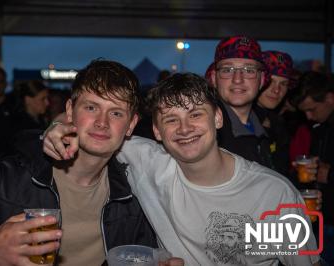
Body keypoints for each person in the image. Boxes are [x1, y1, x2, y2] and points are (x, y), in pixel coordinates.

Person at [44, 73, 320, 265]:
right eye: (171, 120)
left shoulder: (274, 195)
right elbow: (90, 125)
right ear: (156, 131)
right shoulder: (147, 160)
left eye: (196, 114)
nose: (185, 129)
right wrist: (56, 128)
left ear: (218, 118)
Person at [0, 60, 184, 266]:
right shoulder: (6, 176)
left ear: (130, 125)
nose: (102, 122)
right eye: (91, 107)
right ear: (69, 111)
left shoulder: (132, 197)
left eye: (116, 113)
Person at [210, 35, 272, 168]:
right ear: (214, 78)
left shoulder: (267, 127)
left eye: (249, 70)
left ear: (261, 80)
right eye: (227, 70)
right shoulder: (204, 131)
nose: (237, 79)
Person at [293, 71, 334, 265]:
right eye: (305, 112)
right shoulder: (320, 127)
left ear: (330, 99)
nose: (308, 117)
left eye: (312, 109)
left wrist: (330, 174)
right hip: (323, 218)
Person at [254, 50, 294, 175]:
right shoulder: (239, 119)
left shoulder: (278, 122)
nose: (277, 90)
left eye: (283, 83)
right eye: (270, 81)